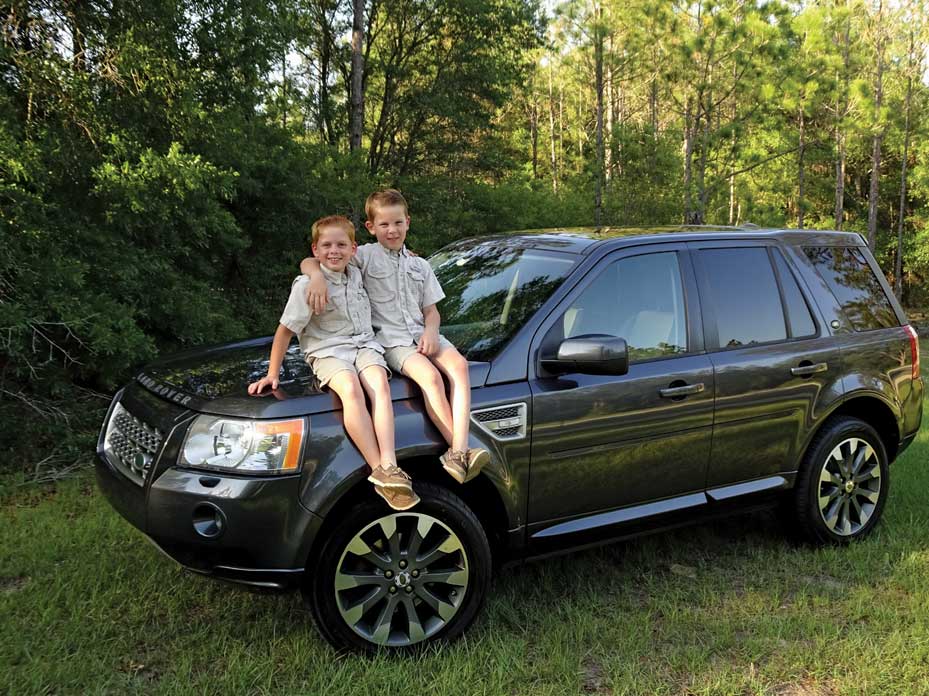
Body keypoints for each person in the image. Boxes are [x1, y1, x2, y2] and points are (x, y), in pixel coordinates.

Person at [301, 190, 489, 484]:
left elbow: (432, 311)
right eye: (385, 224)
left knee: (460, 367)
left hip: (421, 332)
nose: (392, 230)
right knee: (431, 377)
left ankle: (459, 449)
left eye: (398, 223)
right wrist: (314, 276)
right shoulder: (362, 255)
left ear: (408, 223)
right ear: (371, 227)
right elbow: (318, 258)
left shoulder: (420, 265)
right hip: (391, 340)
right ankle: (458, 450)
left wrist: (431, 330)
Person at [249, 215, 418, 511]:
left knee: (379, 383)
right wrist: (271, 373)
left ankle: (390, 463)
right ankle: (379, 469)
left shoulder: (355, 270)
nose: (334, 251)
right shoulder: (306, 286)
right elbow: (285, 330)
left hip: (364, 344)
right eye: (326, 246)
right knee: (350, 389)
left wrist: (403, 257)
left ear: (353, 249)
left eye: (341, 245)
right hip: (328, 351)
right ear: (316, 250)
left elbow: (385, 251)